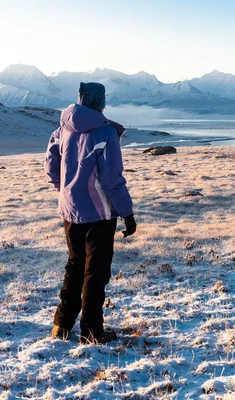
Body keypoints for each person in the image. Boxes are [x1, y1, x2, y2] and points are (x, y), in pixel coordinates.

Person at [44, 82, 136, 344]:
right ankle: (92, 331)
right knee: (95, 272)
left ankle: (61, 324)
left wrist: (63, 189)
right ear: (101, 103)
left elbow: (51, 164)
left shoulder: (63, 128)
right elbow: (111, 180)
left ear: (81, 99)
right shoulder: (105, 133)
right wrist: (127, 213)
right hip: (99, 214)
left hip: (70, 210)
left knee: (75, 264)